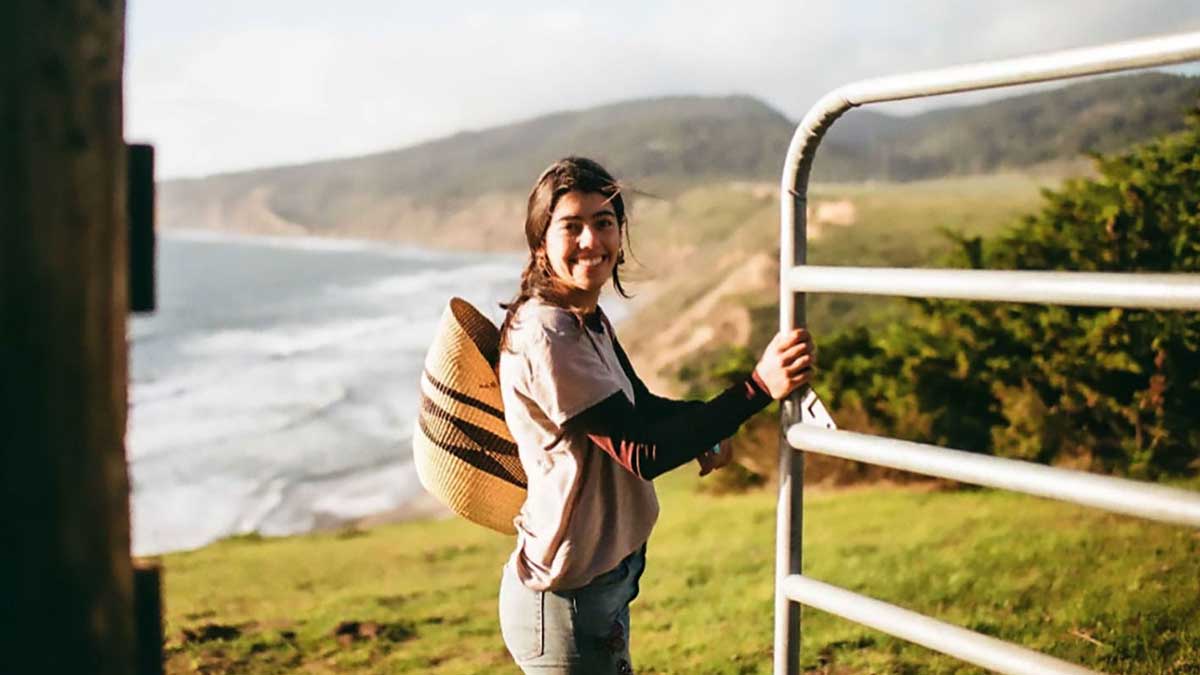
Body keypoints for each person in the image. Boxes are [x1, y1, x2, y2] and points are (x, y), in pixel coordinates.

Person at [496, 157, 815, 674]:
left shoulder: (585, 320)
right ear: (540, 243)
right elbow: (641, 452)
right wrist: (757, 389)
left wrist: (706, 431)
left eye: (604, 222)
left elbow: (640, 410)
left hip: (599, 587)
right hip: (565, 603)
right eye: (571, 226)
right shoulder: (548, 334)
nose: (591, 241)